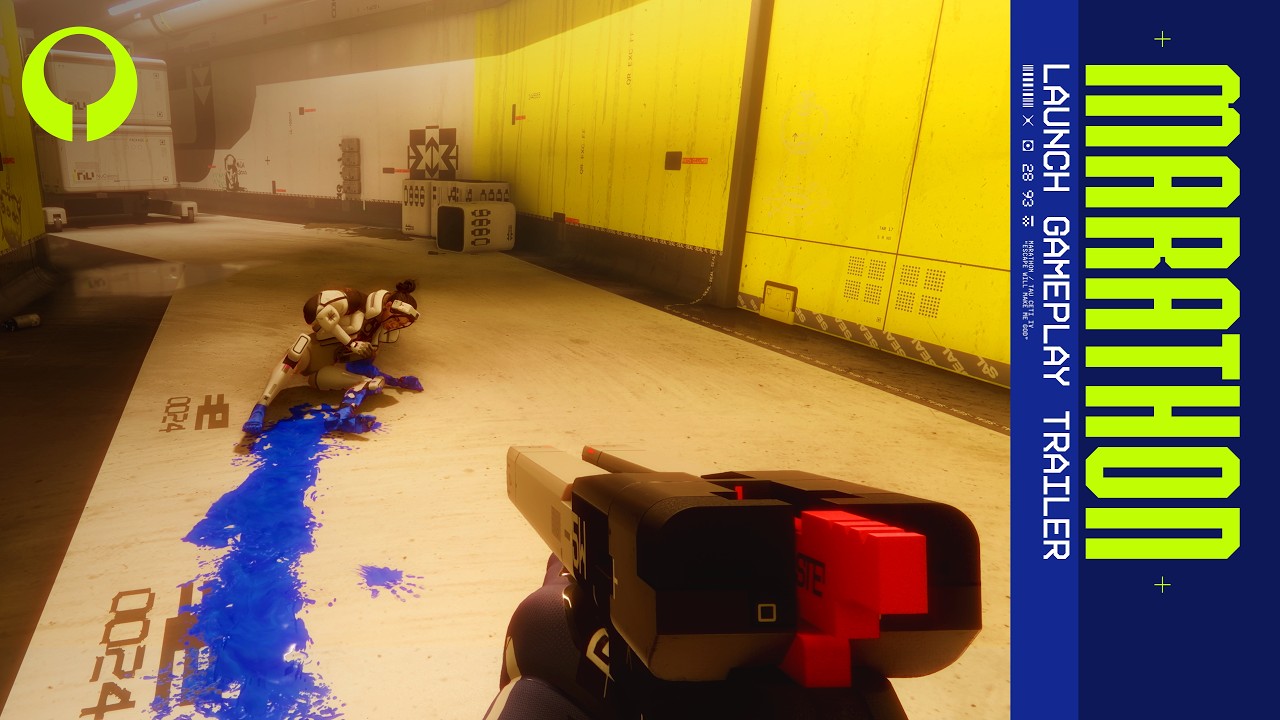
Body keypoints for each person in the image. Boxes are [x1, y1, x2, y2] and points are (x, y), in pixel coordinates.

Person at [241, 280, 423, 434]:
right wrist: (350, 343)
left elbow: (361, 367)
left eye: (401, 324)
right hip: (310, 352)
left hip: (324, 372)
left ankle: (343, 416)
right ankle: (260, 407)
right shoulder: (356, 301)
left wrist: (395, 381)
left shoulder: (377, 331)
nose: (395, 326)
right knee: (298, 349)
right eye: (396, 319)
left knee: (371, 383)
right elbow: (316, 310)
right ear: (389, 306)